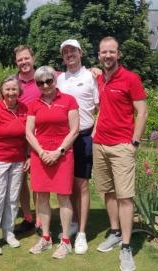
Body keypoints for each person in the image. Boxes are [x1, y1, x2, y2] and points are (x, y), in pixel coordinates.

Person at [93, 37, 148, 271]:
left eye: (111, 52)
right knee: (108, 191)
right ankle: (115, 232)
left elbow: (142, 111)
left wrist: (134, 143)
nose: (108, 55)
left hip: (122, 146)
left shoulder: (130, 78)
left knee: (125, 197)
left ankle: (126, 247)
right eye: (104, 52)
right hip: (100, 144)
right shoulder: (99, 79)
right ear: (98, 55)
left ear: (119, 54)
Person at [26, 66, 79, 259]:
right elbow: (29, 132)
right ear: (37, 84)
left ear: (55, 81)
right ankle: (46, 238)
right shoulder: (34, 104)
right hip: (40, 155)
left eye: (49, 80)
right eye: (40, 82)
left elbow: (74, 130)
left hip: (63, 154)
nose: (46, 85)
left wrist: (58, 152)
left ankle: (65, 241)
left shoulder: (69, 101)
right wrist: (41, 152)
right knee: (41, 197)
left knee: (64, 197)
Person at [55, 39, 98, 255]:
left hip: (83, 137)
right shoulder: (60, 79)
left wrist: (96, 131)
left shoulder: (91, 76)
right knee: (68, 184)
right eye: (65, 52)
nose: (69, 55)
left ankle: (81, 233)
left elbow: (101, 107)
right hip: (64, 139)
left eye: (73, 51)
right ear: (62, 57)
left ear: (80, 53)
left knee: (82, 185)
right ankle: (71, 222)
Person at [0, 75, 30, 256]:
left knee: (12, 198)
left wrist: (29, 155)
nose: (11, 92)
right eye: (7, 89)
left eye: (14, 89)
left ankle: (9, 233)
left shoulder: (25, 109)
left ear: (19, 91)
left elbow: (29, 135)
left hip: (18, 161)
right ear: (1, 91)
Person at [12, 45, 39, 234]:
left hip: (40, 138)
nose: (23, 62)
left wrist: (91, 70)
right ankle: (28, 217)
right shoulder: (14, 82)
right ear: (16, 62)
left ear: (33, 58)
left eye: (26, 58)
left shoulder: (45, 77)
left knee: (37, 181)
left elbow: (72, 71)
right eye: (20, 60)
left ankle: (40, 219)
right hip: (19, 139)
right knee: (21, 181)